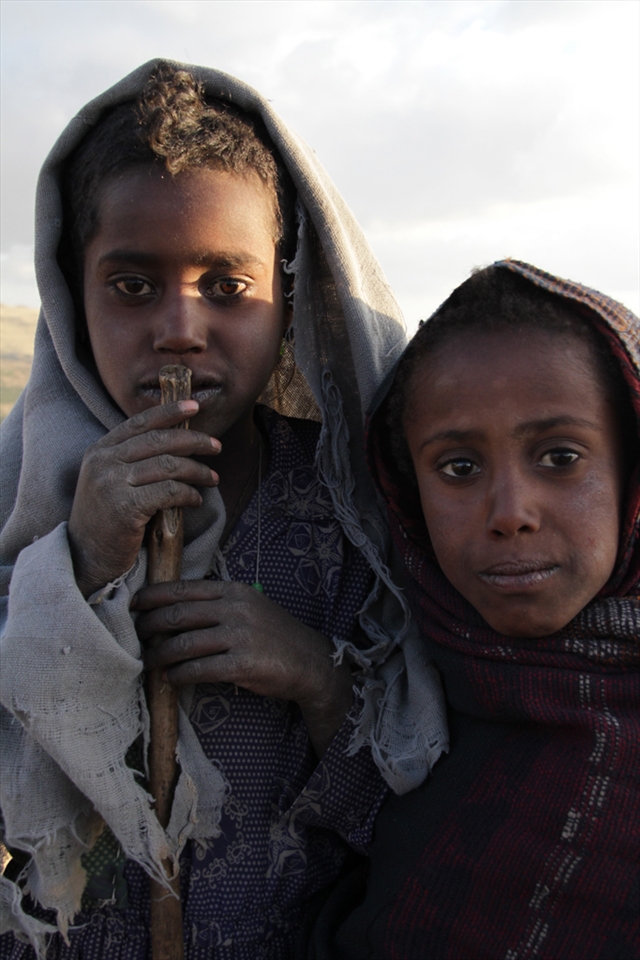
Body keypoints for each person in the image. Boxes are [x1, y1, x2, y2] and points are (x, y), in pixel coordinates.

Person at [0, 61, 447, 959]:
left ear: (288, 303)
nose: (179, 327)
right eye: (131, 285)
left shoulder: (352, 518)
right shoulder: (31, 499)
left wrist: (318, 677)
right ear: (71, 302)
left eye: (227, 286)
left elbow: (412, 801)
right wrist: (79, 564)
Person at [310, 261, 640, 959]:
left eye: (560, 456)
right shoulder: (403, 681)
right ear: (405, 488)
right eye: (459, 467)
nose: (511, 514)